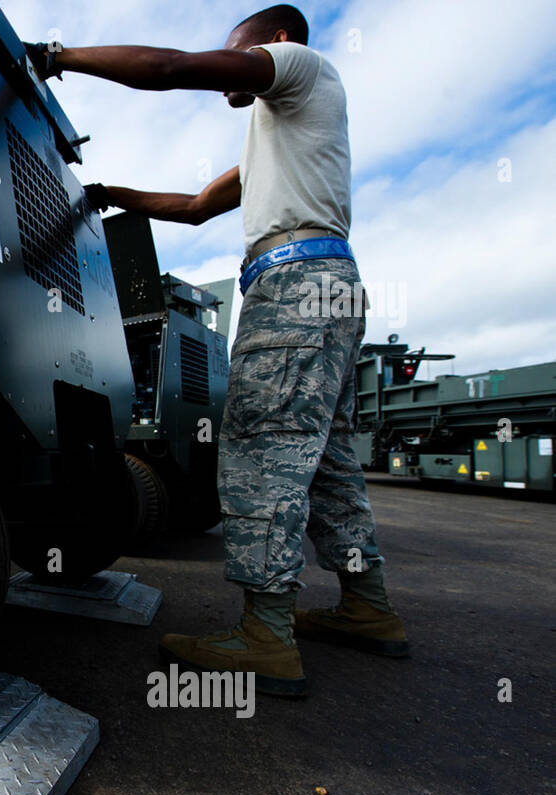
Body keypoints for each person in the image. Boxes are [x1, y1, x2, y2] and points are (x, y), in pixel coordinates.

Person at [26, 4, 407, 697]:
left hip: (293, 282)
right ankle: (367, 605)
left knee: (262, 445)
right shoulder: (278, 137)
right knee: (324, 458)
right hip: (327, 285)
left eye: (241, 50)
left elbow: (175, 68)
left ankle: (266, 636)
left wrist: (59, 56)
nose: (233, 62)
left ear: (279, 41)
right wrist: (110, 194)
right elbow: (198, 206)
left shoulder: (299, 67)